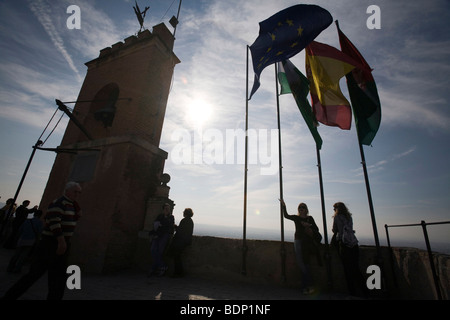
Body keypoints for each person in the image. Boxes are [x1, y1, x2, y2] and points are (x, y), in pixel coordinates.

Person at [1, 181, 82, 300]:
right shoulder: (58, 203)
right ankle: (9, 296)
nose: (77, 194)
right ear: (67, 191)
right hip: (52, 244)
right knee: (34, 274)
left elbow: (73, 219)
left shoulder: (71, 204)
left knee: (58, 279)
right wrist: (61, 241)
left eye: (79, 192)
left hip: (61, 244)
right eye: (75, 192)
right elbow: (54, 221)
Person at [280, 199, 322, 295]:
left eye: (303, 207)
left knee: (305, 263)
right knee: (301, 262)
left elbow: (316, 229)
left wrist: (308, 225)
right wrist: (284, 205)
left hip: (307, 242)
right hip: (298, 241)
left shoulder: (310, 218)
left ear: (306, 209)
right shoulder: (296, 218)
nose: (301, 208)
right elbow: (286, 215)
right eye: (300, 207)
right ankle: (309, 285)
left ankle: (305, 287)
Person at [331, 202, 368, 298]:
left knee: (348, 270)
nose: (334, 210)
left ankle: (352, 293)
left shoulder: (337, 217)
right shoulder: (349, 217)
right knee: (356, 269)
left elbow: (335, 230)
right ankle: (365, 291)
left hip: (344, 244)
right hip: (353, 244)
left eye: (334, 209)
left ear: (337, 209)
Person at [149, 203, 175, 277]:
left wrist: (163, 223)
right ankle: (162, 266)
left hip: (164, 236)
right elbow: (156, 224)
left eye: (168, 208)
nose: (167, 210)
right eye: (166, 208)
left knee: (160, 251)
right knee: (153, 250)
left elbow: (169, 226)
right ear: (163, 209)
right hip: (157, 235)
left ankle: (155, 268)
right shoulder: (160, 216)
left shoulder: (171, 217)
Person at [170, 208, 194, 277]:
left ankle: (178, 273)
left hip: (181, 242)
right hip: (185, 241)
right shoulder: (190, 221)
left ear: (185, 213)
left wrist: (175, 227)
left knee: (177, 257)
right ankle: (179, 273)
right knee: (178, 257)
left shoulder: (184, 220)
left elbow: (180, 231)